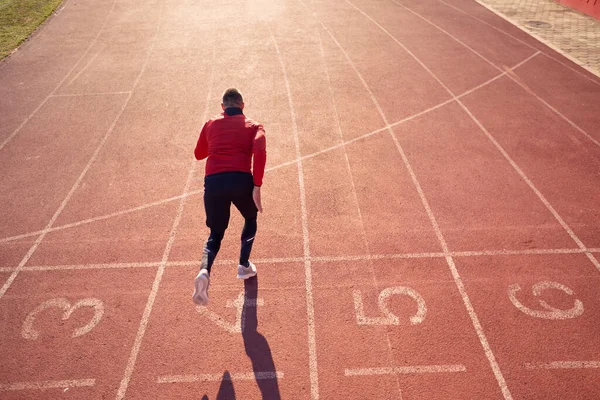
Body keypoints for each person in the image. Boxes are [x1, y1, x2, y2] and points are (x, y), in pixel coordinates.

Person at [192, 88, 266, 306]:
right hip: (241, 180)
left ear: (222, 107)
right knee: (250, 218)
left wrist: (217, 141)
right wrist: (257, 186)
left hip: (214, 181)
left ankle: (204, 270)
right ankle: (243, 265)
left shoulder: (210, 123)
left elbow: (198, 154)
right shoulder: (255, 126)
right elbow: (260, 150)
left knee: (216, 232)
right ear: (242, 105)